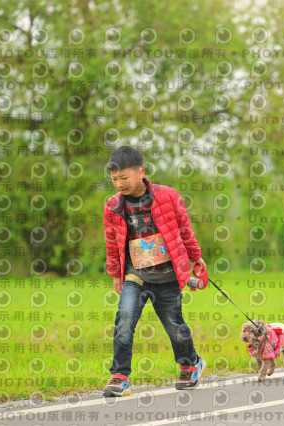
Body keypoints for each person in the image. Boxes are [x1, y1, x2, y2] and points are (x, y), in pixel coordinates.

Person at [102, 145, 207, 396]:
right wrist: (115, 273)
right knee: (124, 318)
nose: (119, 184)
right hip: (134, 273)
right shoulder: (113, 205)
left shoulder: (168, 196)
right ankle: (120, 376)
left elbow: (184, 229)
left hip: (167, 274)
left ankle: (191, 363)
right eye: (114, 179)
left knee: (174, 325)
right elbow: (111, 241)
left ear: (141, 172)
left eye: (124, 178)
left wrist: (196, 257)